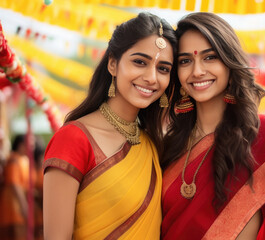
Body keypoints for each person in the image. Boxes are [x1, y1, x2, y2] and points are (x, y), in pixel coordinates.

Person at [161, 12, 265, 240]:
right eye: (185, 61)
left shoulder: (264, 136)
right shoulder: (169, 146)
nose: (197, 71)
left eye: (210, 58)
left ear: (229, 62)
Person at [43, 12, 177, 239]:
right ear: (113, 64)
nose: (152, 77)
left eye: (163, 68)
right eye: (139, 62)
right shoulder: (74, 139)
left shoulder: (153, 144)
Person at [0, 134, 29, 240]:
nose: (32, 145)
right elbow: (14, 185)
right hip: (12, 209)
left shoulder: (23, 160)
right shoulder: (14, 160)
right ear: (21, 145)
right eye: (29, 143)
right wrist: (24, 206)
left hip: (17, 208)